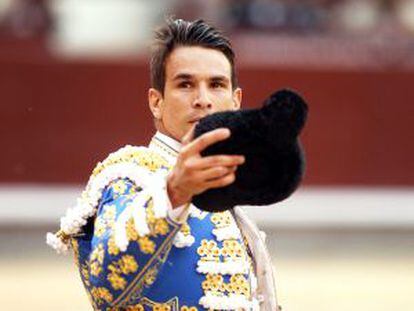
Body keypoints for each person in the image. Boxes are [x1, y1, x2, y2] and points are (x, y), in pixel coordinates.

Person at [47, 18, 279, 311]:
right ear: (156, 102)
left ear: (235, 101)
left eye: (216, 84)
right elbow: (106, 280)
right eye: (185, 84)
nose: (203, 99)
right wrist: (173, 192)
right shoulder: (129, 174)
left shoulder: (227, 199)